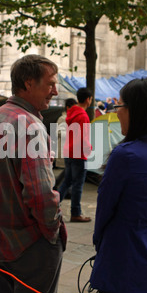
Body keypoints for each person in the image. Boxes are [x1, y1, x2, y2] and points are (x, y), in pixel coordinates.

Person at [0, 54, 66, 293]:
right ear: (28, 83)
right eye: (50, 84)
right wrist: (53, 230)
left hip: (0, 242)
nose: (55, 91)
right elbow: (41, 195)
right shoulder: (29, 125)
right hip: (30, 245)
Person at [89, 78, 147, 293]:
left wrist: (99, 241)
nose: (116, 112)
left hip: (124, 255)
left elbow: (105, 208)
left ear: (134, 110)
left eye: (119, 107)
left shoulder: (125, 155)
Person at [57, 88, 93, 222]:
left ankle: (53, 206)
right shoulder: (83, 116)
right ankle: (75, 213)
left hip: (69, 151)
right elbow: (84, 137)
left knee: (66, 182)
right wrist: (89, 149)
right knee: (78, 184)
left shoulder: (71, 113)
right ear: (88, 99)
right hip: (79, 153)